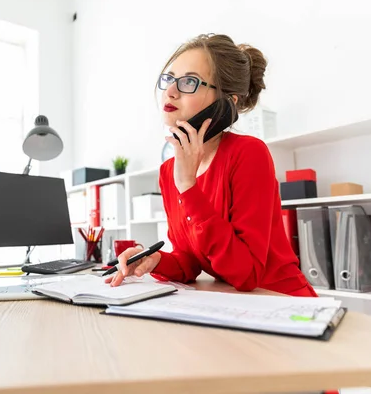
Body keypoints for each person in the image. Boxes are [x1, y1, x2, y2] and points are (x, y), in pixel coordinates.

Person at [106, 33, 317, 297]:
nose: (170, 91)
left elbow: (247, 273)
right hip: (233, 303)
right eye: (169, 79)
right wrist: (156, 260)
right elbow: (191, 259)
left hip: (281, 301)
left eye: (189, 82)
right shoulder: (168, 170)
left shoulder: (249, 154)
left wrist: (188, 186)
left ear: (228, 101)